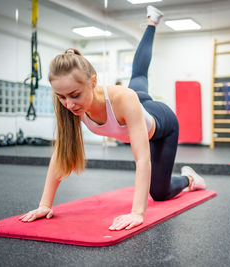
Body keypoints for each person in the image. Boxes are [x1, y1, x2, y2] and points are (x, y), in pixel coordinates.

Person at [19, 6, 206, 231]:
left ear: (93, 82)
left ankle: (189, 178)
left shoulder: (122, 98)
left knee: (159, 192)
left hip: (161, 124)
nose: (68, 104)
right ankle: (152, 22)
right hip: (136, 108)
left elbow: (142, 159)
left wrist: (137, 212)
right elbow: (60, 155)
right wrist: (44, 205)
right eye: (61, 97)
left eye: (75, 95)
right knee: (137, 76)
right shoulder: (71, 108)